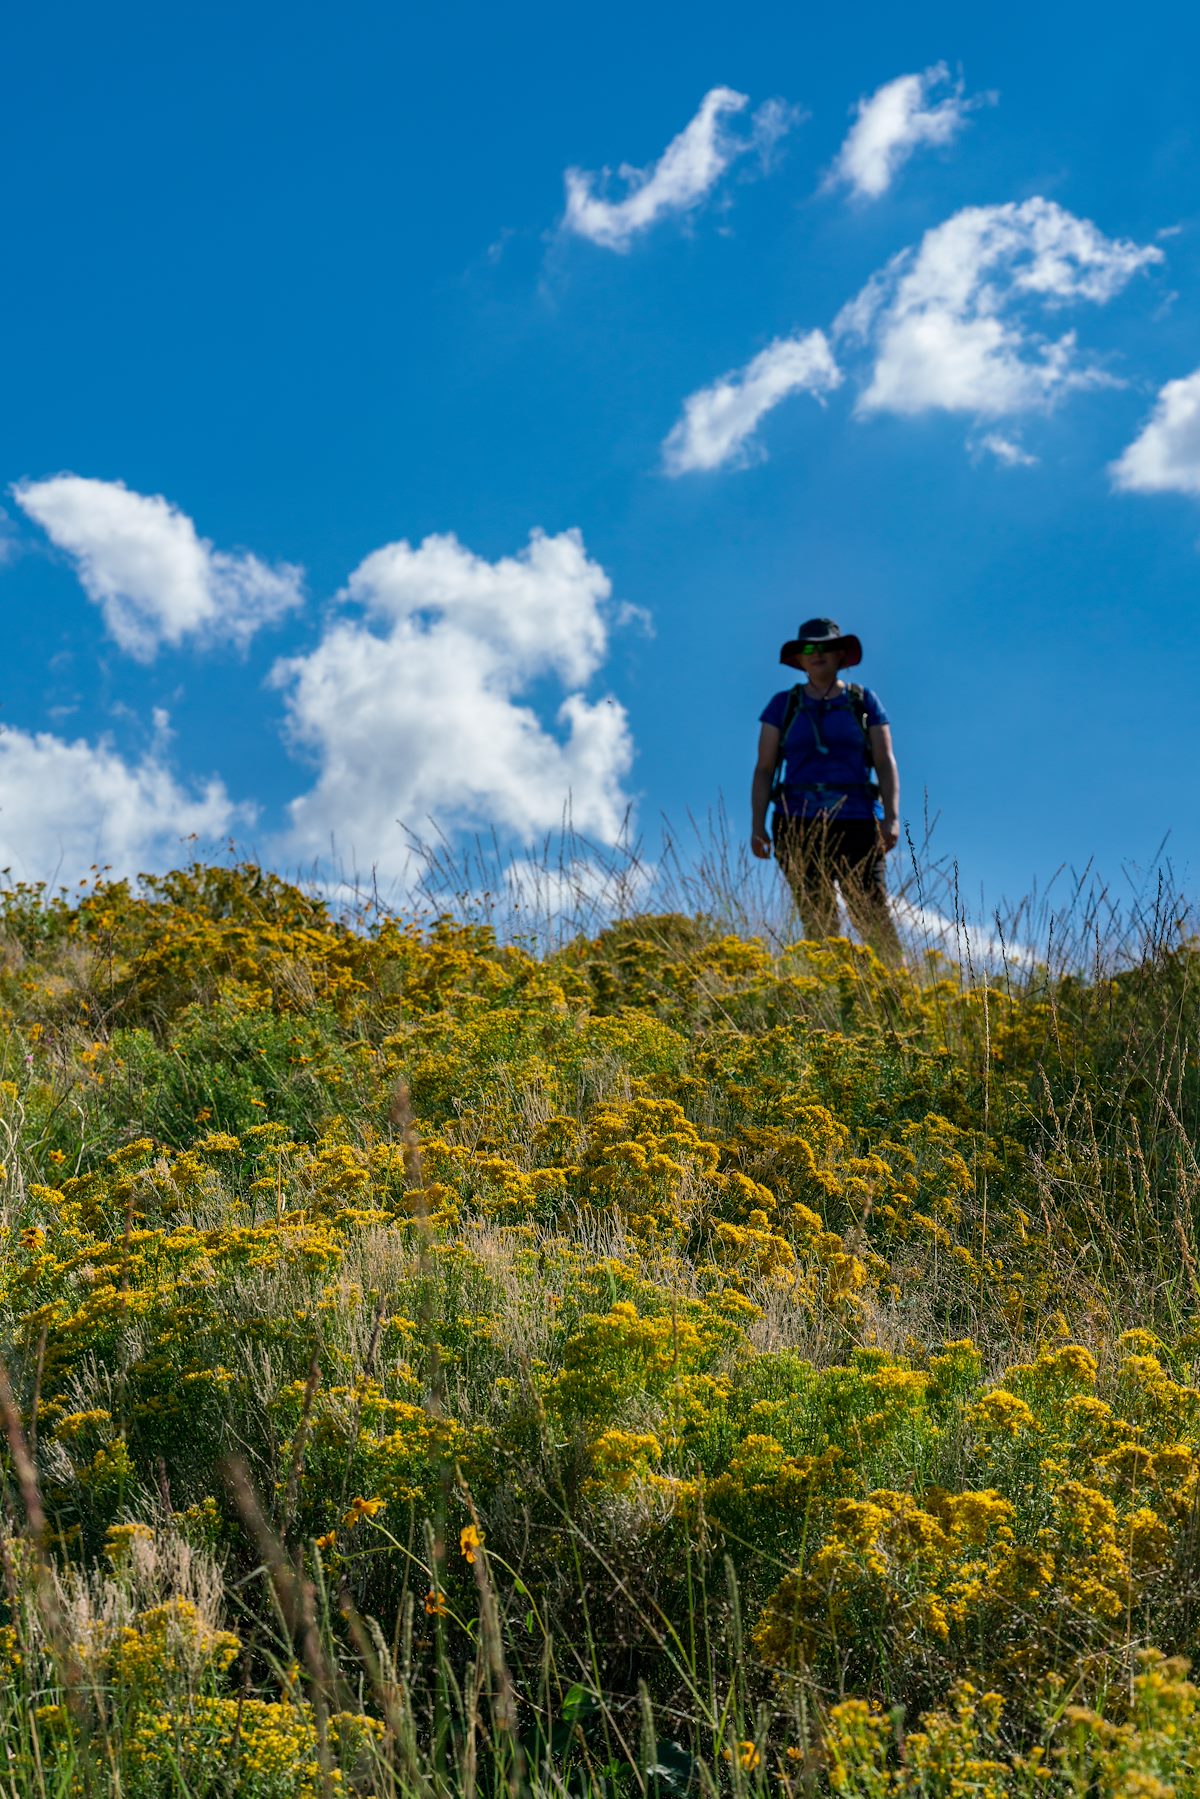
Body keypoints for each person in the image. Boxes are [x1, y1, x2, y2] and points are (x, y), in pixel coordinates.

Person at [751, 616, 902, 962]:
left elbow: (885, 761)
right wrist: (757, 825)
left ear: (839, 655)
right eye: (808, 648)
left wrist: (891, 817)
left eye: (826, 647)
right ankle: (826, 996)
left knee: (872, 915)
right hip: (795, 823)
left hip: (858, 822)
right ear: (799, 659)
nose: (816, 653)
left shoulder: (864, 702)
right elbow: (764, 769)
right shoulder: (782, 706)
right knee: (817, 919)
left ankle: (900, 994)